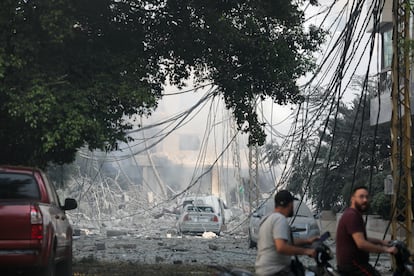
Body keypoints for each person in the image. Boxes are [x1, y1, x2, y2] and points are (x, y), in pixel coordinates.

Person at [336, 186, 398, 276]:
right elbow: (361, 243)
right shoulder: (352, 216)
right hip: (353, 266)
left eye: (367, 197)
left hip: (355, 265)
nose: (365, 200)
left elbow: (362, 238)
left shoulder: (353, 214)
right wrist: (386, 250)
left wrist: (382, 242)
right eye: (361, 197)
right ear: (352, 199)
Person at [255, 190, 318, 276]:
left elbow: (285, 240)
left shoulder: (268, 218)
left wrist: (307, 241)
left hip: (264, 269)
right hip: (275, 271)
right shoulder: (280, 220)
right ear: (289, 204)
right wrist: (306, 251)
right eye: (292, 204)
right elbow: (281, 247)